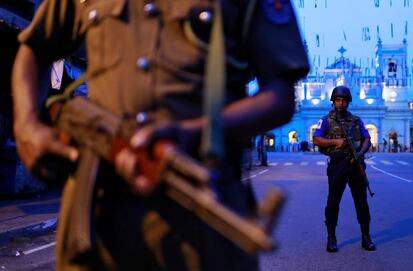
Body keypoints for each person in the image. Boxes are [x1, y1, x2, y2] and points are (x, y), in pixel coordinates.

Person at [12, 0, 309, 270]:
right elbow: (35, 48)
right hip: (96, 214)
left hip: (204, 213)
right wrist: (26, 126)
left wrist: (195, 133)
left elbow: (281, 96)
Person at [313, 86, 376, 253]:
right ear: (333, 102)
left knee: (361, 202)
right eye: (338, 100)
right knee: (333, 201)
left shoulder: (356, 120)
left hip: (356, 164)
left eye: (344, 101)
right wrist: (335, 142)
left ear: (348, 103)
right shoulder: (326, 120)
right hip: (338, 164)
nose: (341, 103)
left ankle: (366, 236)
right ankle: (331, 237)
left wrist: (360, 154)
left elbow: (367, 139)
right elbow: (317, 139)